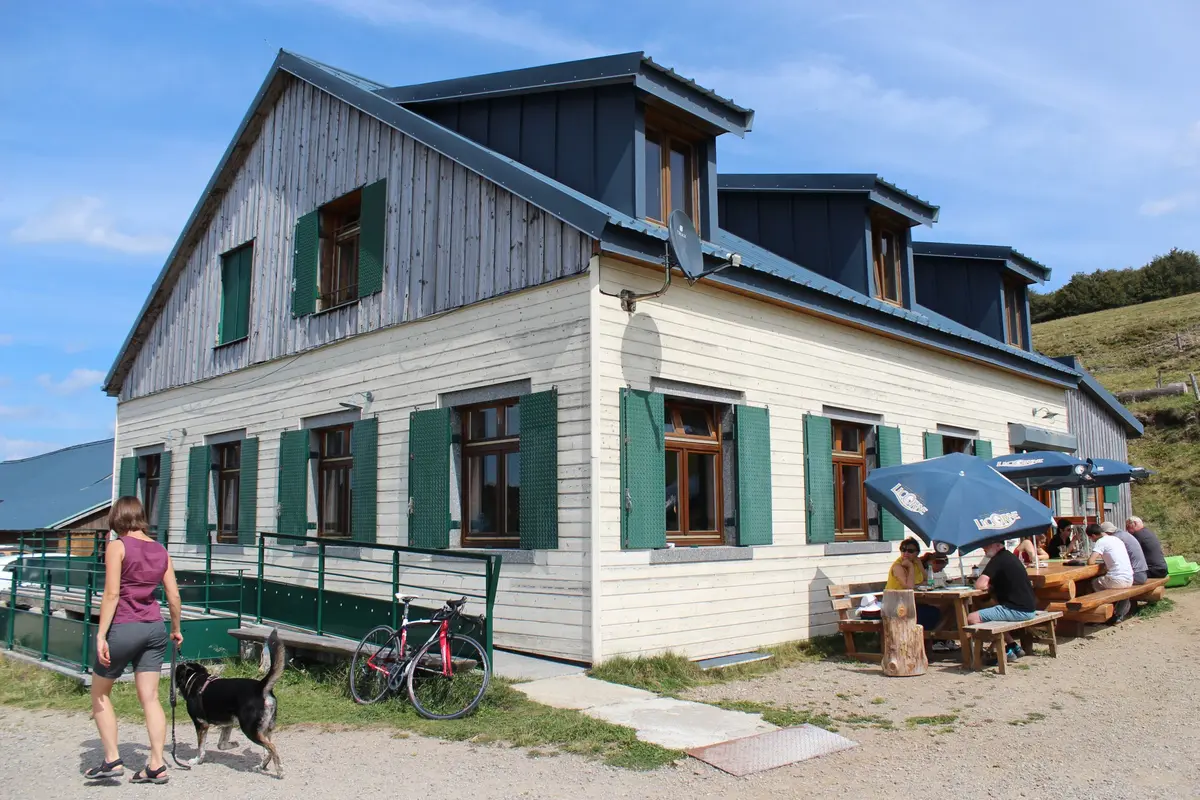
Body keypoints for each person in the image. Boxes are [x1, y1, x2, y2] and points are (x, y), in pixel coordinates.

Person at [84, 496, 183, 784]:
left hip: (125, 627)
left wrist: (101, 634)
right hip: (154, 628)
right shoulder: (161, 550)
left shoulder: (118, 546)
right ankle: (155, 764)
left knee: (100, 692)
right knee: (150, 698)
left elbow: (112, 594)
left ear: (118, 518)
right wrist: (175, 628)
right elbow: (174, 597)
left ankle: (112, 759)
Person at [967, 540, 1039, 662]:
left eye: (987, 545)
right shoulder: (1009, 557)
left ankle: (1001, 651)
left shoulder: (998, 560)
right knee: (989, 611)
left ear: (997, 545)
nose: (983, 547)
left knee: (971, 618)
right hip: (1028, 608)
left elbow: (980, 584)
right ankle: (1012, 645)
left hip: (1016, 609)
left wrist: (987, 585)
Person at [885, 539, 942, 632]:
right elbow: (909, 587)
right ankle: (928, 639)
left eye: (910, 551)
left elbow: (927, 581)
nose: (906, 553)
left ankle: (936, 639)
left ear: (917, 553)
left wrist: (919, 564)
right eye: (903, 550)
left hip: (910, 602)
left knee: (947, 608)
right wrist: (911, 567)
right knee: (932, 612)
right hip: (896, 605)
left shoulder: (914, 563)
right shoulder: (898, 566)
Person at [1086, 522, 1134, 623]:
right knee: (1109, 583)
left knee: (1093, 583)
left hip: (1117, 580)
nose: (1092, 540)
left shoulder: (1101, 542)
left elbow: (1091, 561)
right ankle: (1117, 613)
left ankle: (1100, 612)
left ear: (1094, 535)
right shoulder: (1116, 539)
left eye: (1091, 538)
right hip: (1129, 578)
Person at [1106, 521, 1147, 586]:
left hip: (1135, 575)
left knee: (1099, 581)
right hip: (1142, 573)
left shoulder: (1115, 538)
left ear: (1107, 533)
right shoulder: (1124, 534)